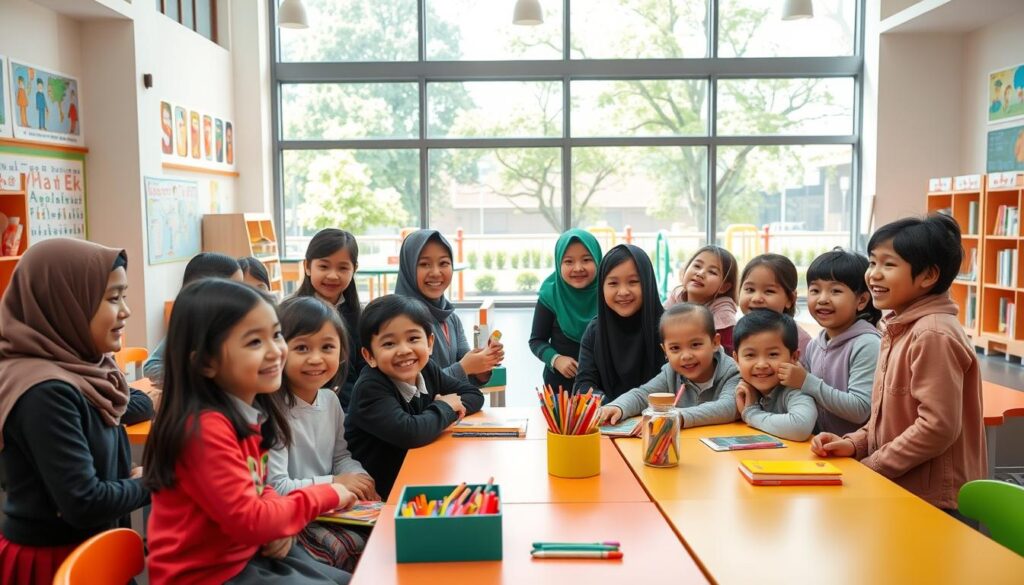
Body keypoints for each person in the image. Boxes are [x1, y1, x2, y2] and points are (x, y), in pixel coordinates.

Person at [144, 279, 355, 584]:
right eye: (255, 342)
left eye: (276, 335)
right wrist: (328, 493)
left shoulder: (246, 414)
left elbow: (259, 489)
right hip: (208, 576)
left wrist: (278, 525)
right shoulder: (205, 429)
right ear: (206, 362)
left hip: (246, 556)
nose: (275, 352)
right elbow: (250, 520)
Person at [811, 214, 986, 522]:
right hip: (906, 488)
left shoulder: (932, 334)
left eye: (888, 265)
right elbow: (886, 415)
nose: (873, 275)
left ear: (928, 276)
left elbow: (936, 428)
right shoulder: (901, 328)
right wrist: (854, 443)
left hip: (935, 502)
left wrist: (873, 466)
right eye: (872, 262)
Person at [0, 239, 151, 584]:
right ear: (64, 303)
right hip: (55, 563)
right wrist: (154, 481)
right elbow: (84, 502)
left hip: (94, 548)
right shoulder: (44, 390)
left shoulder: (88, 370)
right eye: (113, 298)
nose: (125, 311)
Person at [268, 297, 377, 571]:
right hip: (294, 515)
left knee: (383, 537)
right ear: (279, 351)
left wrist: (359, 476)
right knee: (349, 549)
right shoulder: (273, 410)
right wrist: (336, 482)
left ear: (341, 353)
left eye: (327, 347)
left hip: (329, 506)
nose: (316, 359)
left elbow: (341, 456)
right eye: (302, 348)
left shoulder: (329, 400)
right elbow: (278, 487)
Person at [345, 295, 484, 500]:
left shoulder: (427, 368)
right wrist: (444, 407)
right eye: (389, 343)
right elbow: (411, 432)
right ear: (369, 356)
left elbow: (474, 395)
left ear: (429, 343)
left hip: (416, 477)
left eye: (413, 339)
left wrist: (438, 414)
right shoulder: (370, 387)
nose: (404, 350)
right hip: (379, 496)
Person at [777, 249, 881, 435]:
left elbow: (860, 410)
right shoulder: (814, 345)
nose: (823, 299)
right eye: (815, 290)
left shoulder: (867, 344)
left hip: (857, 453)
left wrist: (805, 381)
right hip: (822, 447)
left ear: (862, 300)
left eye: (836, 291)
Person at [599, 303, 739, 428]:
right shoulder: (671, 373)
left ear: (715, 342)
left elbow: (728, 407)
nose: (686, 356)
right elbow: (642, 395)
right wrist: (617, 407)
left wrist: (676, 416)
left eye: (695, 345)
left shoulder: (732, 371)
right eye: (675, 348)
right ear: (665, 351)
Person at [394, 230, 503, 386]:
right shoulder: (398, 320)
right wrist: (464, 367)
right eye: (424, 264)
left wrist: (483, 361)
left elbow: (469, 375)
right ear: (409, 268)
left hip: (449, 408)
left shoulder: (450, 318)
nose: (436, 272)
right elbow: (413, 385)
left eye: (444, 263)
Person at [573, 244, 665, 403]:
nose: (623, 292)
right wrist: (612, 408)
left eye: (633, 281)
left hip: (661, 418)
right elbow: (584, 385)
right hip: (609, 421)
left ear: (648, 282)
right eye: (613, 283)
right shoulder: (594, 331)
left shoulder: (669, 327)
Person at [293, 229, 364, 410]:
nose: (333, 275)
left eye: (343, 268)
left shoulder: (360, 316)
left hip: (355, 410)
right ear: (307, 267)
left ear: (354, 269)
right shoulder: (291, 313)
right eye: (324, 266)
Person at [529, 229, 602, 392]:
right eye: (569, 261)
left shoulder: (608, 292)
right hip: (561, 388)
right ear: (558, 263)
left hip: (601, 386)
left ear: (598, 259)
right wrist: (556, 359)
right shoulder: (550, 295)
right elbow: (536, 340)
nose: (578, 268)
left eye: (586, 259)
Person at [733, 310, 817, 441]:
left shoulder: (794, 388)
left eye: (773, 354)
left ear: (794, 357)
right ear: (736, 359)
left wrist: (751, 414)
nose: (761, 365)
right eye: (750, 355)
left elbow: (800, 427)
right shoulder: (744, 385)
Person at [665, 246, 739, 354]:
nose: (700, 273)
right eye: (697, 266)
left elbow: (727, 356)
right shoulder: (676, 296)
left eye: (712, 272)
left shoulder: (723, 314)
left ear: (724, 287)